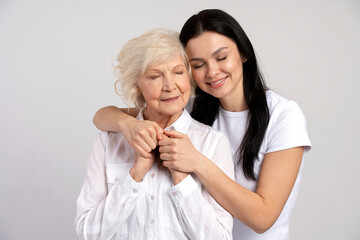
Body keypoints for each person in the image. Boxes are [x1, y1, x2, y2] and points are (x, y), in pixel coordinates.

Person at [93, 9, 311, 240]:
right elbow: (102, 116)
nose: (212, 71)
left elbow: (263, 218)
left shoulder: (283, 115)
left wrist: (197, 162)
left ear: (243, 53)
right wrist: (127, 125)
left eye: (221, 57)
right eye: (198, 65)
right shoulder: (190, 110)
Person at [75, 28, 234, 240]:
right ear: (137, 85)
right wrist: (134, 176)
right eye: (155, 76)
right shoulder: (108, 141)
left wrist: (181, 178)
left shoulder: (213, 143)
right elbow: (86, 232)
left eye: (178, 72)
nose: (170, 86)